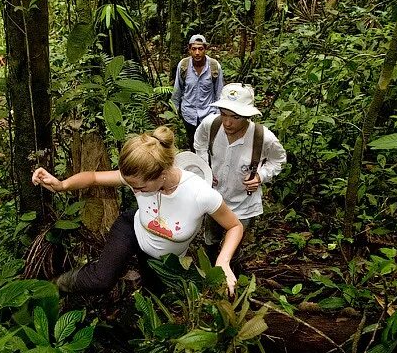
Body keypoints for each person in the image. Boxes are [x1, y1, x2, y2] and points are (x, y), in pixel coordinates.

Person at [31, 126, 243, 295]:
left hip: (164, 259)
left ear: (161, 175)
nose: (136, 191)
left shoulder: (200, 194)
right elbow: (94, 177)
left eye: (140, 188)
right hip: (133, 229)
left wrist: (223, 261)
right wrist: (62, 185)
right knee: (100, 280)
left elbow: (234, 226)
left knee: (156, 296)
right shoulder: (141, 175)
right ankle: (53, 286)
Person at [193, 83, 286, 256]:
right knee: (211, 239)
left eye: (235, 117)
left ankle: (232, 270)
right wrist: (204, 166)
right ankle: (210, 269)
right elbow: (199, 142)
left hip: (244, 203)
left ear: (246, 116)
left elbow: (279, 159)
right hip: (214, 198)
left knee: (234, 245)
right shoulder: (211, 125)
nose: (227, 122)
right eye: (224, 114)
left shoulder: (263, 137)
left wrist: (260, 176)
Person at [172, 34, 224, 148]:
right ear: (189, 49)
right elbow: (178, 89)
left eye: (200, 49)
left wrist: (219, 114)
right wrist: (174, 109)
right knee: (193, 144)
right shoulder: (183, 65)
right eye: (194, 49)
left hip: (208, 114)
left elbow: (219, 92)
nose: (197, 52)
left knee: (209, 145)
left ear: (205, 49)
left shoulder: (214, 66)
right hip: (188, 114)